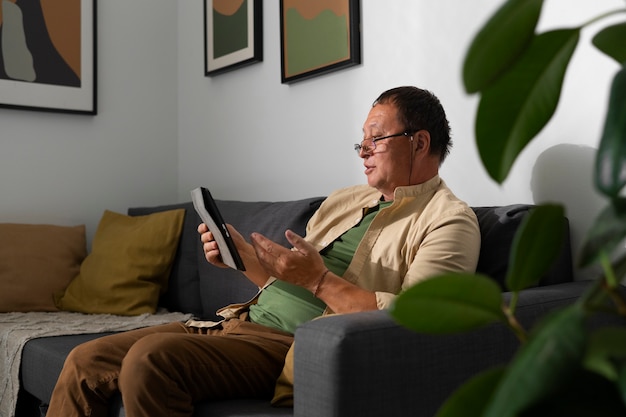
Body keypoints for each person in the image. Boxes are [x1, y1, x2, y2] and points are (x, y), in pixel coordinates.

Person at [46, 86, 481, 417]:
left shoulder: (448, 220)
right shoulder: (347, 201)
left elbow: (421, 320)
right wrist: (242, 261)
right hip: (238, 321)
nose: (364, 150)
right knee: (85, 358)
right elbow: (287, 287)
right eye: (361, 141)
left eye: (376, 137)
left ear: (420, 143)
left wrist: (317, 278)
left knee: (150, 360)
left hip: (287, 346)